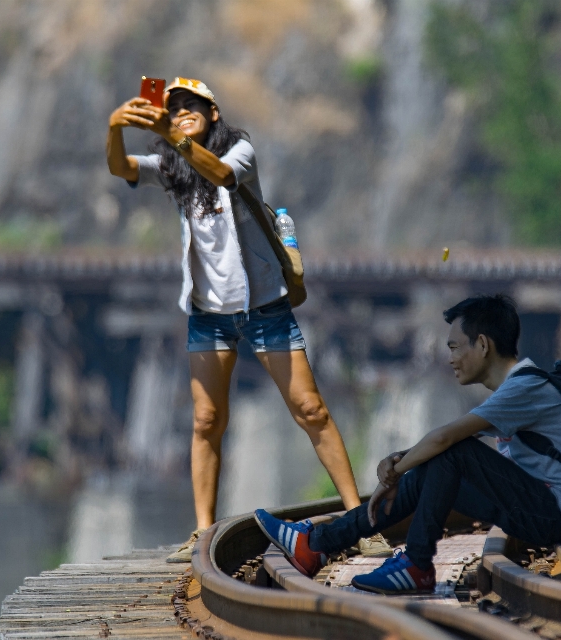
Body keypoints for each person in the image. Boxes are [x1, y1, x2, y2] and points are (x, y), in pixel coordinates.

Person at [106, 77, 391, 562]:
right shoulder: (173, 167)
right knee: (207, 421)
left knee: (311, 410)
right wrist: (115, 127)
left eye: (192, 105)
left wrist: (173, 136)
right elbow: (121, 167)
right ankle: (202, 531)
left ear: (213, 113)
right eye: (174, 108)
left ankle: (360, 520)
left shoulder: (239, 150)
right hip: (208, 314)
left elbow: (218, 173)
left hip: (264, 307)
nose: (182, 112)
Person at [254, 294, 561, 594]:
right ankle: (317, 545)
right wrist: (405, 465)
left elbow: (445, 438)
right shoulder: (519, 386)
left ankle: (416, 565)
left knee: (451, 452)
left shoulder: (524, 387)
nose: (451, 358)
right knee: (434, 467)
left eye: (456, 347)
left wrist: (395, 468)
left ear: (483, 345)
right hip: (554, 511)